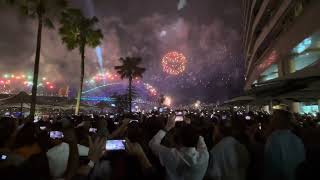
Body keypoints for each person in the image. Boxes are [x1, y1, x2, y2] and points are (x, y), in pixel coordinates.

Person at [149, 115, 209, 180]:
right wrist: (188, 127)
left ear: (179, 140)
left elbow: (152, 144)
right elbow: (199, 138)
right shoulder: (204, 156)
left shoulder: (170, 154)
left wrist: (167, 127)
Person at [264, 109, 305, 180]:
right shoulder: (296, 138)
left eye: (273, 118)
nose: (270, 120)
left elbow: (273, 164)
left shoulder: (275, 138)